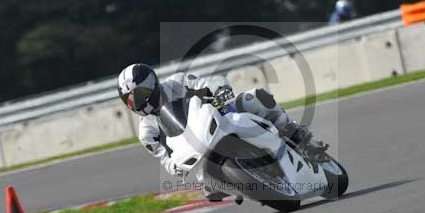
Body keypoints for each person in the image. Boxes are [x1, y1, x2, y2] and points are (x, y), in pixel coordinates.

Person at [117, 64, 326, 180]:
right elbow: (165, 159)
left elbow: (207, 81)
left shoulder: (177, 82)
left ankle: (295, 134)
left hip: (219, 118)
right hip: (198, 155)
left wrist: (220, 90)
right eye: (131, 99)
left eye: (141, 93)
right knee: (210, 188)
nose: (139, 101)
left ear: (152, 84)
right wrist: (175, 167)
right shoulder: (147, 132)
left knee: (255, 97)